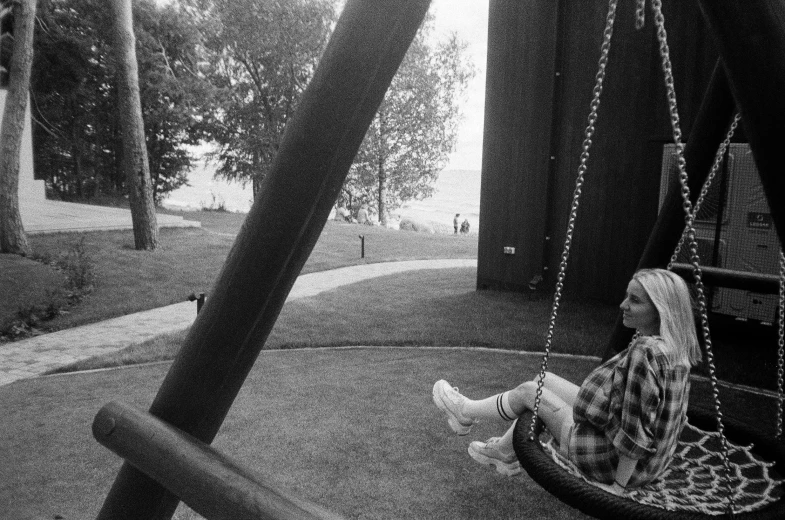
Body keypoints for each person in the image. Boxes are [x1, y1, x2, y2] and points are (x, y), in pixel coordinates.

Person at [432, 268, 700, 492]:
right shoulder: (674, 348)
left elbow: (635, 432)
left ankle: (465, 412)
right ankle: (504, 451)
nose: (623, 305)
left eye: (635, 300)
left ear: (661, 310)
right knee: (544, 379)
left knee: (529, 392)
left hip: (608, 458)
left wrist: (618, 489)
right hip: (650, 461)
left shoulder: (646, 353)